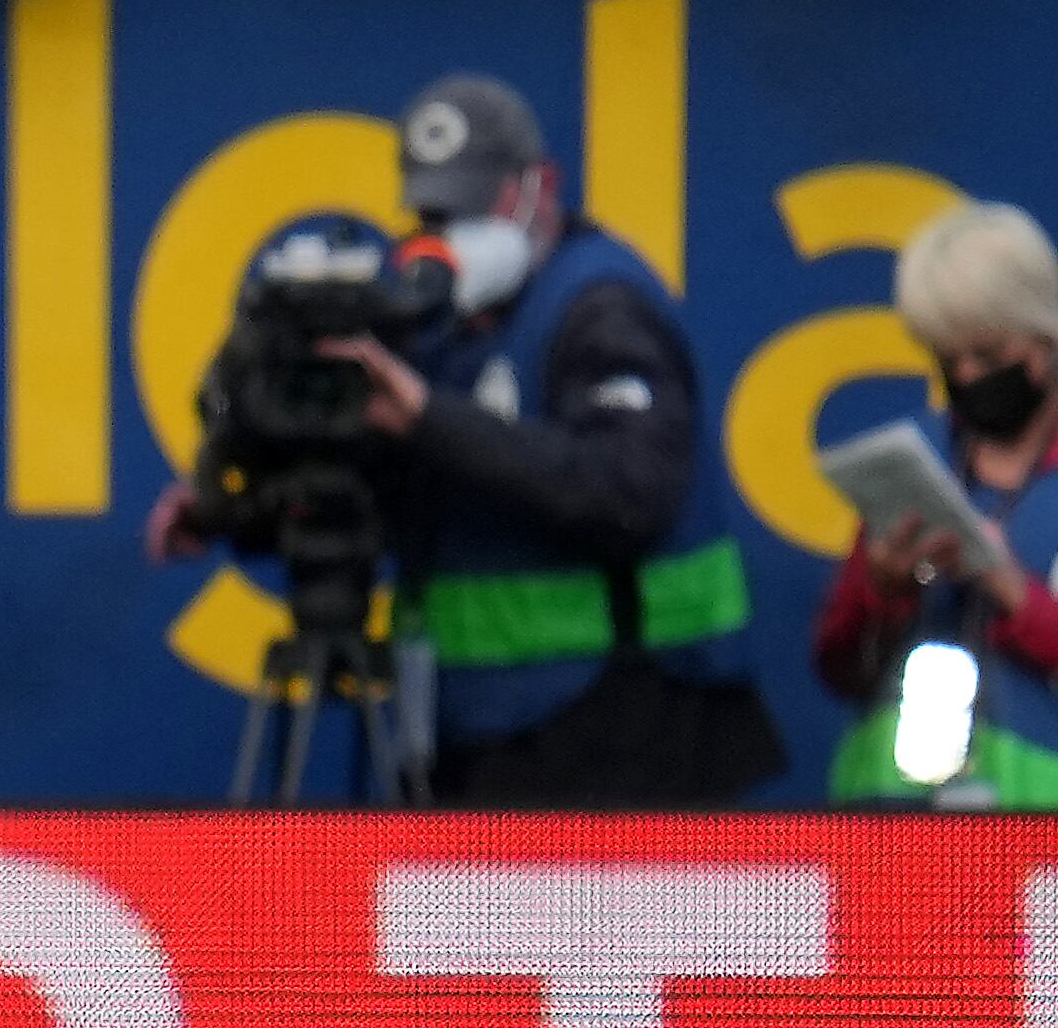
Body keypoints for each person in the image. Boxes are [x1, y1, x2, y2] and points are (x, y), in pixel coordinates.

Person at [147, 74, 786, 804]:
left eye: (474, 206)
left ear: (540, 187)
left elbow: (628, 492)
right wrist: (230, 508)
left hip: (624, 726)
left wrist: (429, 416)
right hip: (483, 731)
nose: (449, 234)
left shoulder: (600, 306)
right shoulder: (432, 326)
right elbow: (390, 500)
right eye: (431, 212)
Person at [812, 199, 1058, 806]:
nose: (969, 376)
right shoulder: (913, 465)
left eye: (990, 356)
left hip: (1036, 842)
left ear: (1045, 340)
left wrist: (1009, 591)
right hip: (889, 828)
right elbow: (837, 667)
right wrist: (882, 587)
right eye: (950, 359)